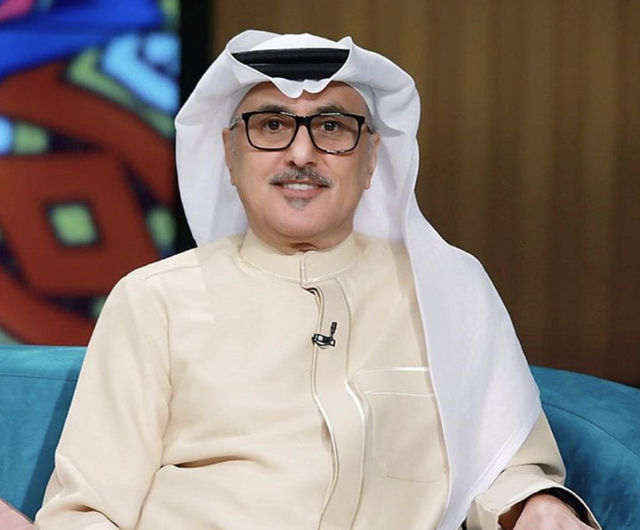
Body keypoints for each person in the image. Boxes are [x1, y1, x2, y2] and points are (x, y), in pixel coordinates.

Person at [34, 31, 599, 530]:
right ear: (229, 153)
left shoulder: (447, 290)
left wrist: (537, 505)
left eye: (331, 127)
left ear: (371, 157)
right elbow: (88, 510)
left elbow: (506, 465)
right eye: (271, 126)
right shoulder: (155, 299)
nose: (301, 154)